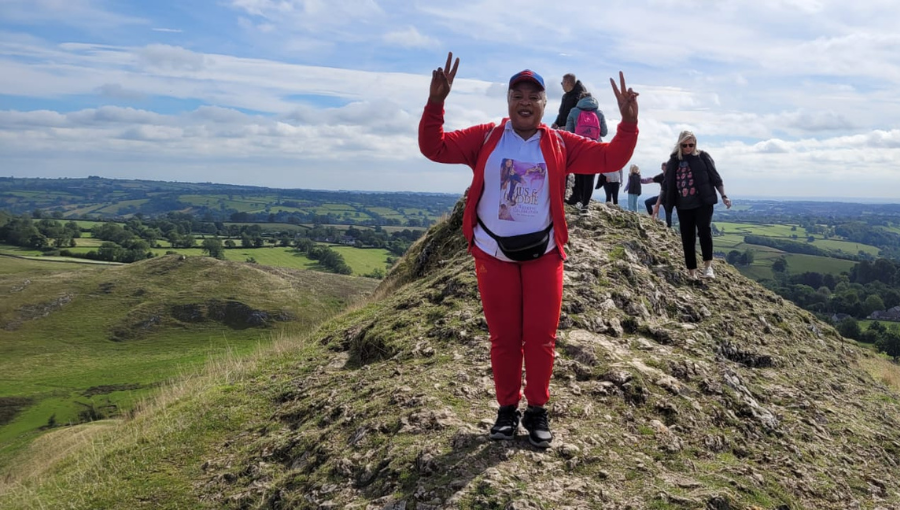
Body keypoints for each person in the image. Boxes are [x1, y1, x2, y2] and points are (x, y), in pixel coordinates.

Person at [419, 52, 639, 448]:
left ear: (544, 104)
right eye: (517, 93)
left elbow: (612, 157)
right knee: (504, 337)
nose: (525, 100)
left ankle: (537, 409)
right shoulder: (487, 137)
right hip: (492, 252)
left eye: (533, 95)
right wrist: (436, 103)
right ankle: (507, 411)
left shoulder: (558, 143)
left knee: (540, 337)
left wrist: (628, 122)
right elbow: (433, 147)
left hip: (544, 253)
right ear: (508, 100)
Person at [653, 131, 731, 279]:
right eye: (685, 145)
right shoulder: (673, 162)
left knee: (704, 232)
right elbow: (666, 185)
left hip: (703, 203)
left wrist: (724, 196)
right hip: (683, 206)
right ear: (679, 144)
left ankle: (708, 268)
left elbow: (716, 178)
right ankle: (692, 272)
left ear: (695, 144)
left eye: (691, 145)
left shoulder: (703, 157)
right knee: (687, 238)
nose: (688, 148)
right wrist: (658, 204)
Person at [564, 91, 608, 215]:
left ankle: (579, 199)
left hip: (578, 147)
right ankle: (585, 205)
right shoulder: (599, 113)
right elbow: (604, 132)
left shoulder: (574, 111)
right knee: (590, 177)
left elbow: (569, 132)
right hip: (594, 147)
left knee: (579, 175)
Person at [644, 162, 672, 227]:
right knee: (647, 202)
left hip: (669, 199)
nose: (664, 171)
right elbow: (651, 179)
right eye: (662, 169)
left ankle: (669, 228)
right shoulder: (661, 176)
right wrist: (639, 179)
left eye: (665, 169)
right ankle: (651, 216)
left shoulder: (672, 177)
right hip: (661, 197)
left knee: (668, 213)